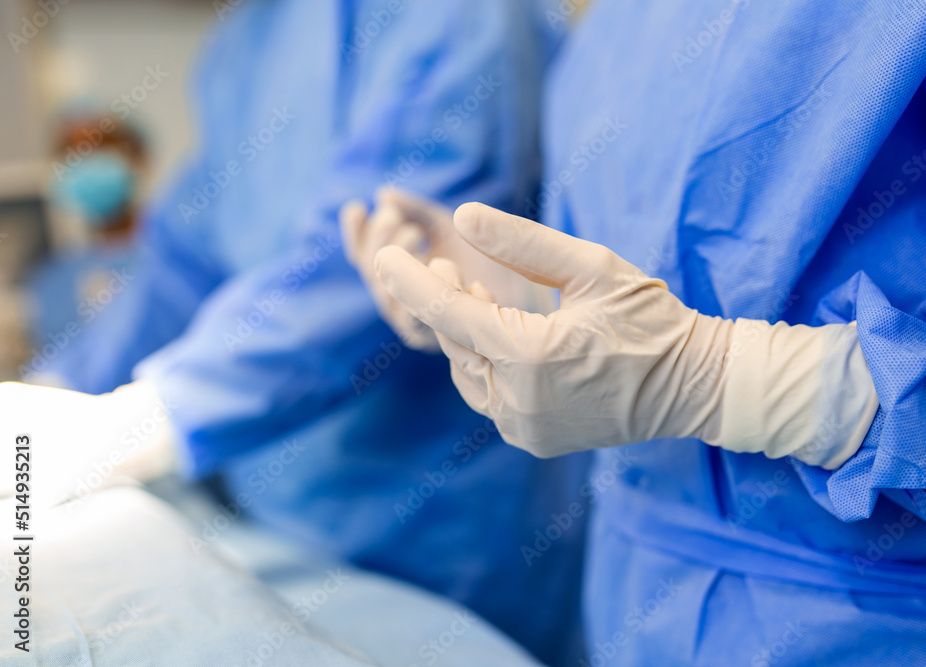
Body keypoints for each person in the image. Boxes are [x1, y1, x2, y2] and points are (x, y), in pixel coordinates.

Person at [368, 0, 926, 664]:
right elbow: (652, 282)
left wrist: (738, 382)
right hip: (634, 608)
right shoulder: (613, 24)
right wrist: (507, 291)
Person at [2, 1, 590, 663]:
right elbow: (185, 259)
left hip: (444, 519)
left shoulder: (456, 17)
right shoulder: (248, 36)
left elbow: (372, 263)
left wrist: (155, 414)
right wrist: (58, 387)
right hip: (280, 509)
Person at [25, 111, 146, 360]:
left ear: (138, 157)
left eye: (100, 147)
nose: (86, 160)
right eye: (73, 154)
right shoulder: (53, 280)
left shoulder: (179, 257)